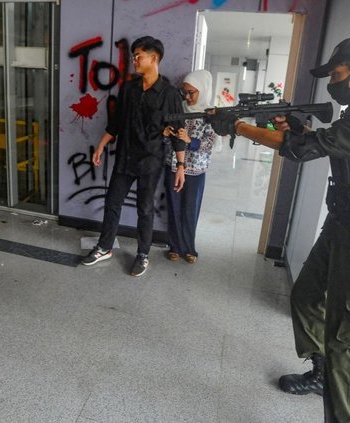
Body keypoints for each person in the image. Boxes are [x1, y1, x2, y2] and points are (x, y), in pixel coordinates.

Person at [208, 38, 350, 423]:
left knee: (343, 340)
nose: (333, 83)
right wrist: (297, 127)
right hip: (339, 224)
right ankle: (322, 376)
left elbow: (305, 151)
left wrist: (237, 126)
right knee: (305, 297)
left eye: (337, 73)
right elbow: (314, 143)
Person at [80, 35, 187, 276]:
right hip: (125, 157)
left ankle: (142, 254)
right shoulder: (129, 88)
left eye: (139, 55)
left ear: (154, 58)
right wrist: (100, 146)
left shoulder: (169, 94)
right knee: (112, 202)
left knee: (145, 209)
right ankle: (105, 246)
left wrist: (180, 165)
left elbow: (179, 132)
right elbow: (116, 123)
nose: (134, 60)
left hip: (151, 160)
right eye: (133, 56)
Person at [163, 70, 217, 264]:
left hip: (196, 171)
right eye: (184, 92)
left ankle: (189, 248)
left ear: (202, 90)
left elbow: (210, 143)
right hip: (173, 166)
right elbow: (167, 139)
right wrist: (166, 133)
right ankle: (174, 247)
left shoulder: (210, 114)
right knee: (174, 207)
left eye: (191, 92)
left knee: (190, 210)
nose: (186, 96)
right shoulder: (178, 110)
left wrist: (190, 140)